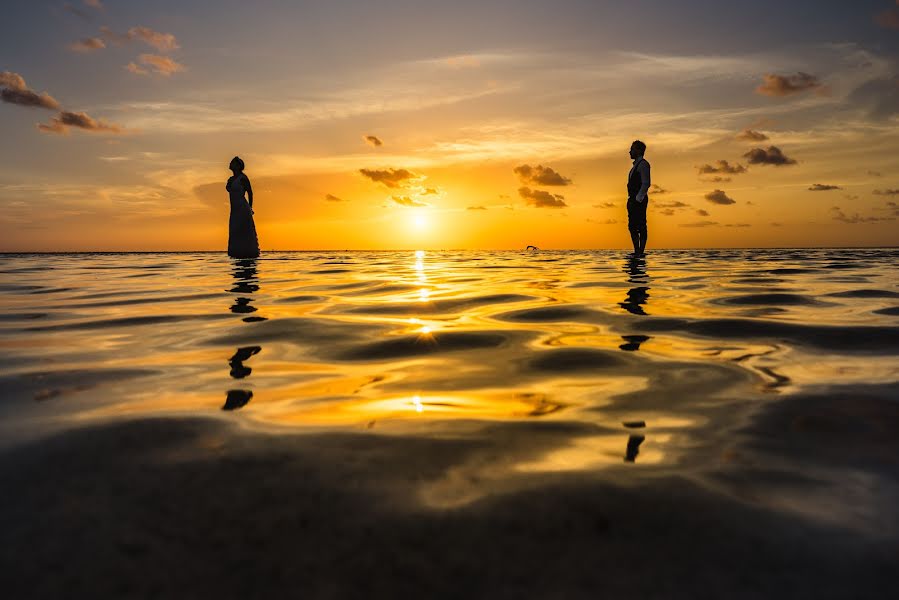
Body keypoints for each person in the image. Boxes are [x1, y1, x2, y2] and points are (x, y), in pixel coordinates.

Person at [226, 156, 260, 258]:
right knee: (234, 230)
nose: (230, 163)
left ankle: (248, 253)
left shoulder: (243, 178)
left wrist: (250, 207)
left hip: (242, 207)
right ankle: (235, 253)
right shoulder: (231, 179)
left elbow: (250, 192)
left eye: (233, 162)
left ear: (238, 166)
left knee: (244, 230)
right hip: (234, 209)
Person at [626, 140, 651, 256]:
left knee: (641, 225)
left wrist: (638, 199)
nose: (630, 151)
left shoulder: (644, 165)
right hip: (632, 199)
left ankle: (641, 252)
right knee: (632, 226)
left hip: (638, 199)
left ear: (639, 151)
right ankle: (637, 251)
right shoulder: (634, 167)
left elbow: (646, 183)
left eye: (632, 149)